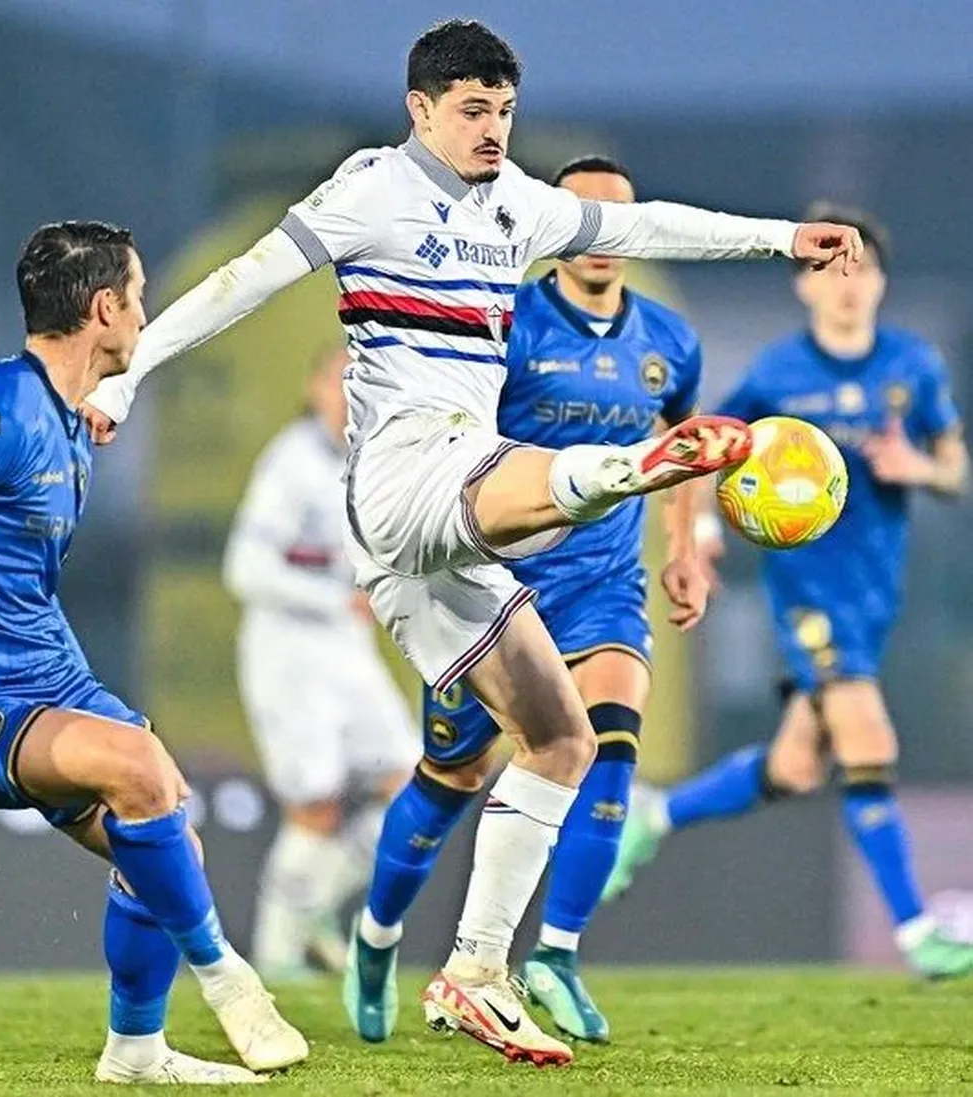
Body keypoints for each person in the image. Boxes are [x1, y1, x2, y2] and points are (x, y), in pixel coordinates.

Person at [82, 21, 861, 1065]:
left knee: (560, 738)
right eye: (470, 109)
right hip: (407, 475)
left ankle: (476, 969)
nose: (492, 129)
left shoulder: (519, 204)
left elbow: (649, 225)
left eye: (502, 110)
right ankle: (637, 464)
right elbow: (245, 282)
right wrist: (132, 374)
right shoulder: (369, 191)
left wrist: (779, 238)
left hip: (441, 539)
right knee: (553, 480)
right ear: (420, 109)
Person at [342, 156, 707, 1045]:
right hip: (500, 582)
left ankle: (556, 952)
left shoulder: (669, 339)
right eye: (585, 217)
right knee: (452, 776)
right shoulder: (507, 323)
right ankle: (376, 936)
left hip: (606, 583)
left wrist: (686, 546)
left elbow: (682, 438)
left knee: (610, 741)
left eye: (620, 219)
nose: (603, 235)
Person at [0, 221, 308, 1084]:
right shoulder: (1, 411)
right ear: (103, 308)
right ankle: (227, 976)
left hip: (47, 669)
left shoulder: (69, 413)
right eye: (141, 297)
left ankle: (136, 1050)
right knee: (140, 765)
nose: (146, 313)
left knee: (168, 849)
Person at [603, 204, 973, 979]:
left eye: (860, 267)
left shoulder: (913, 367)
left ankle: (654, 812)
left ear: (880, 280)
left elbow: (954, 464)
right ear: (804, 285)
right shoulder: (776, 374)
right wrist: (700, 535)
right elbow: (699, 447)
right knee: (870, 741)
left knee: (798, 767)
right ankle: (916, 934)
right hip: (806, 592)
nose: (847, 284)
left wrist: (924, 471)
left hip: (876, 594)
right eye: (828, 268)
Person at [223, 345, 418, 979]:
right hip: (288, 650)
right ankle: (277, 960)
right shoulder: (291, 463)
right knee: (316, 804)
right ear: (313, 389)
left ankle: (310, 911)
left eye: (359, 381)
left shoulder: (370, 464)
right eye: (338, 380)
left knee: (414, 779)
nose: (347, 393)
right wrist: (334, 598)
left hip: (346, 650)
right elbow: (245, 568)